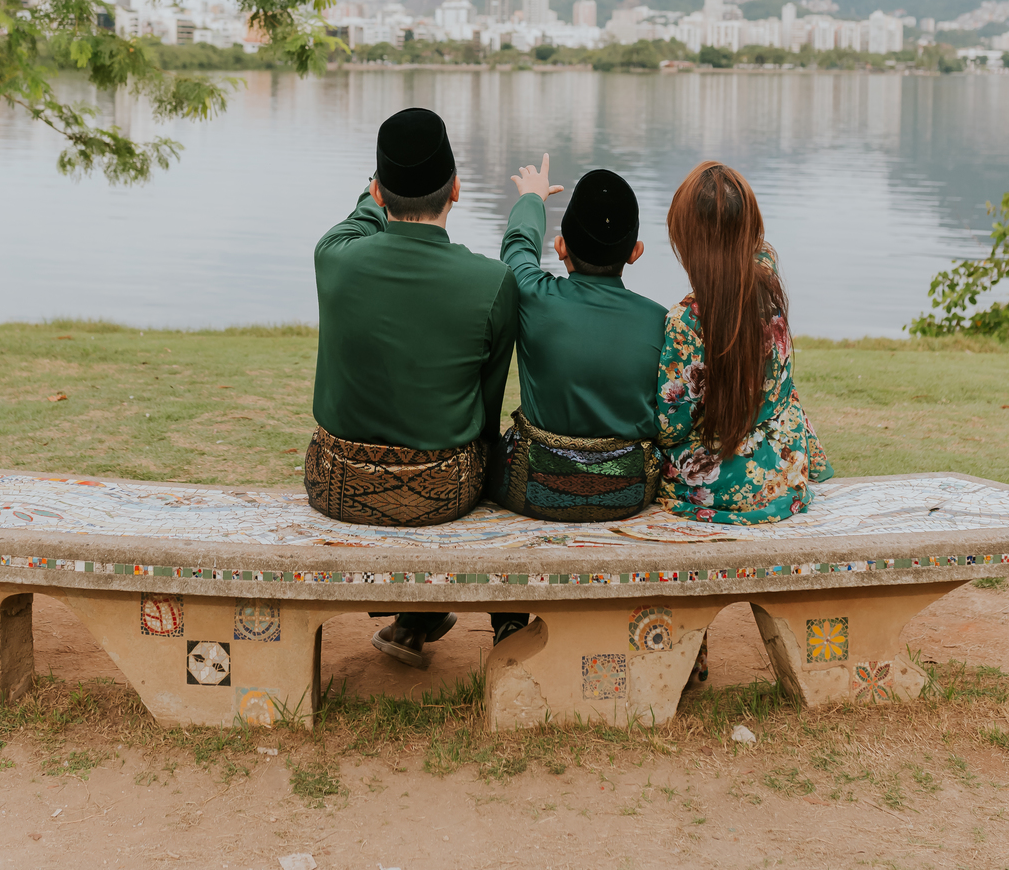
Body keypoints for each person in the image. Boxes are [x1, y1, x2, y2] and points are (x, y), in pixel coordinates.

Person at [307, 106, 520, 666]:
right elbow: (487, 413)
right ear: (456, 187)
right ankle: (510, 624)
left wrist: (375, 191)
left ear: (377, 188)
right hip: (443, 493)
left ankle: (418, 620)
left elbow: (357, 221)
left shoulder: (334, 260)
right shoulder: (492, 283)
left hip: (336, 485)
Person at [656, 159, 832, 526]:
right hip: (785, 458)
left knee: (651, 457)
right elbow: (750, 245)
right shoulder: (768, 276)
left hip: (728, 477)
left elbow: (671, 425)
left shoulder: (686, 321)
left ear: (687, 239)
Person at [495, 155, 667, 522]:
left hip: (532, 490)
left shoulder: (533, 296)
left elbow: (517, 249)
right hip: (629, 494)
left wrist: (531, 199)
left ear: (560, 247)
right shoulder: (663, 323)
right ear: (635, 253)